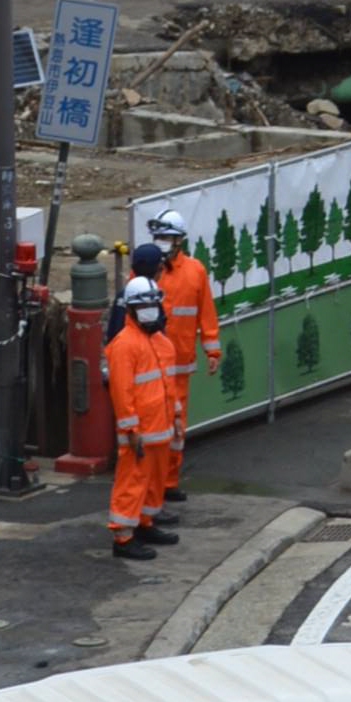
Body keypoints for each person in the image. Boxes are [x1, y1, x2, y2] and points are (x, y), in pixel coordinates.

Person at [145, 206, 218, 505]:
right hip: (151, 367)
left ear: (180, 241)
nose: (162, 241)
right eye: (159, 236)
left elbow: (206, 313)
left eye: (167, 236)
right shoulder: (148, 272)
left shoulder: (195, 271)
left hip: (180, 364)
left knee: (176, 428)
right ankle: (153, 485)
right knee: (155, 428)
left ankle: (169, 483)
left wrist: (212, 348)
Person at [103, 276, 175, 566]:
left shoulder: (159, 341)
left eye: (153, 303)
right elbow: (122, 393)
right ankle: (123, 537)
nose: (150, 309)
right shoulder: (124, 345)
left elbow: (169, 386)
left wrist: (177, 418)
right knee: (132, 482)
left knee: (153, 482)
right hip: (140, 430)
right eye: (143, 304)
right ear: (131, 309)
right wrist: (131, 429)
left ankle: (144, 523)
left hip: (160, 427)